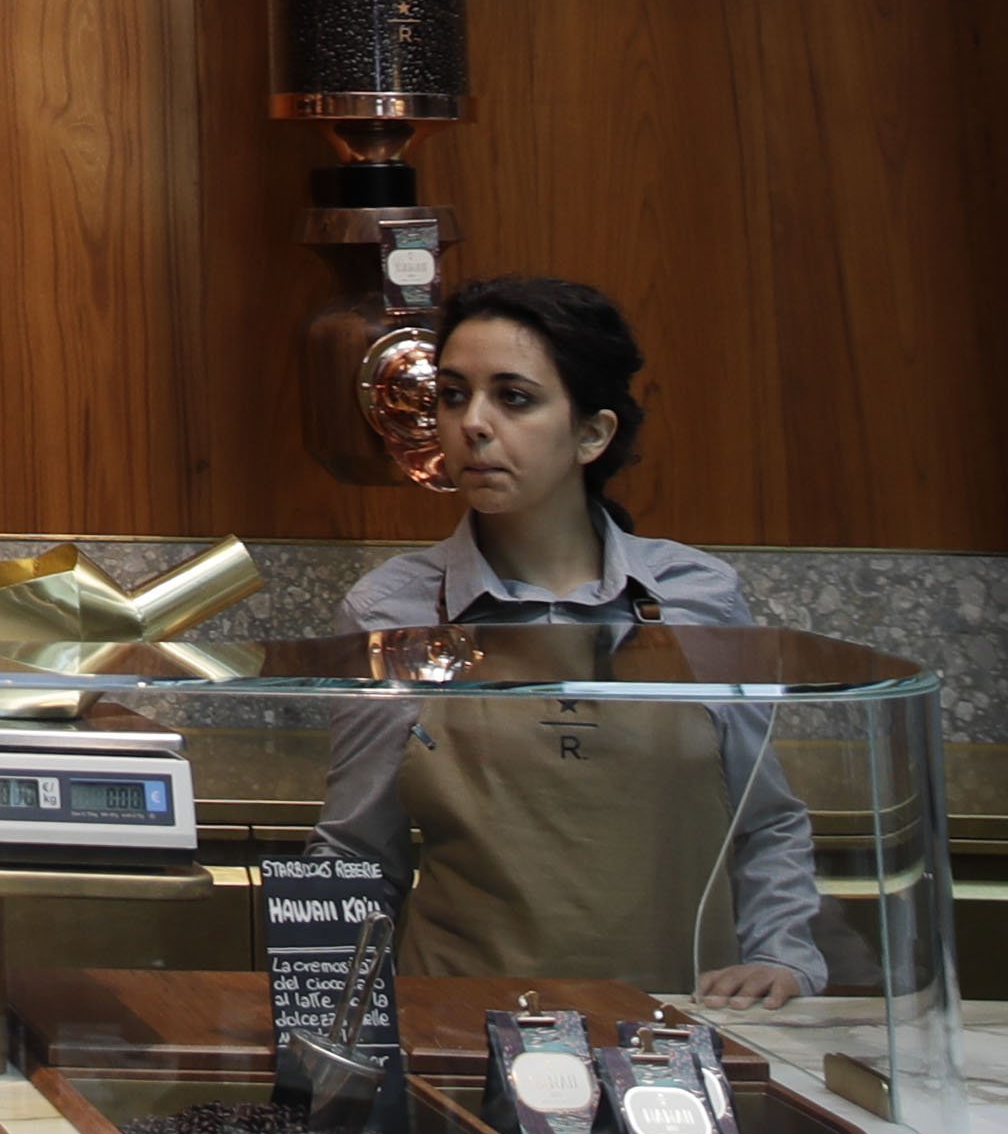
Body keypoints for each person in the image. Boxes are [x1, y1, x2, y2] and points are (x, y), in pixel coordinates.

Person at [321, 276, 829, 1009]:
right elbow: (359, 852)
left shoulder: (698, 597)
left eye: (514, 398)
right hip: (464, 1034)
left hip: (682, 1039)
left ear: (593, 432)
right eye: (455, 395)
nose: (474, 425)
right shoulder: (390, 609)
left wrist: (784, 958)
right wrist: (338, 1032)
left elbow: (764, 820)